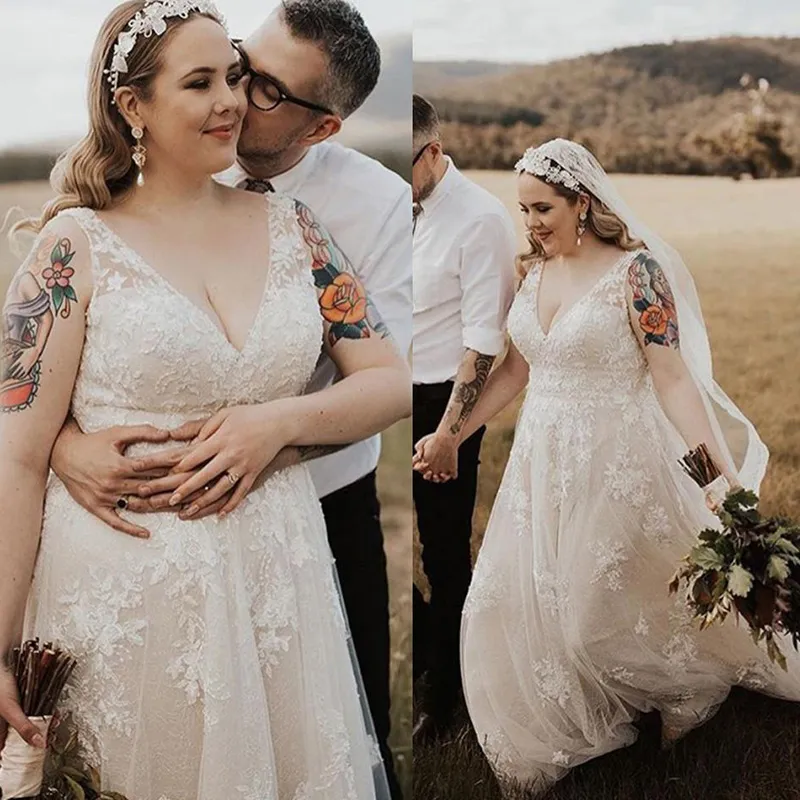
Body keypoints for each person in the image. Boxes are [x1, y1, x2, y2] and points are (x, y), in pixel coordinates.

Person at [0, 3, 410, 798]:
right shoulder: (72, 247)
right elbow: (14, 453)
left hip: (279, 585)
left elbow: (388, 379)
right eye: (200, 82)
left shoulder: (298, 226)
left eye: (233, 76)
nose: (230, 100)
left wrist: (275, 424)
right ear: (132, 106)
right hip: (130, 595)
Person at [413, 138, 800, 795]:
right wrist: (453, 433)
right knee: (518, 600)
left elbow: (674, 380)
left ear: (582, 203)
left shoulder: (637, 273)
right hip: (542, 464)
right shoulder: (535, 273)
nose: (530, 221)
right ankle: (562, 724)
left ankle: (691, 686)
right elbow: (514, 369)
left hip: (618, 461)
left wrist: (717, 474)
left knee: (601, 605)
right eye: (523, 208)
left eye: (542, 208)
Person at [410, 94, 516, 740]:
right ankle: (429, 646)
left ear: (434, 152)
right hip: (379, 393)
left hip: (441, 402)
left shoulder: (481, 219)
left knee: (442, 549)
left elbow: (483, 343)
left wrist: (450, 434)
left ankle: (446, 690)